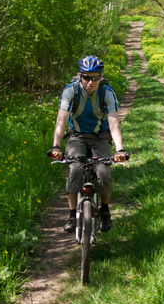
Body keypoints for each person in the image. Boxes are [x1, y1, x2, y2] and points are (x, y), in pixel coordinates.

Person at [49, 55, 128, 234]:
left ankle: (105, 210)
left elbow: (114, 122)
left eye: (95, 77)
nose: (90, 82)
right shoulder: (71, 91)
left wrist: (119, 149)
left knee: (103, 172)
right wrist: (56, 146)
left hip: (100, 136)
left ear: (101, 77)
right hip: (76, 135)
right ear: (79, 76)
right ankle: (71, 215)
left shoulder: (107, 93)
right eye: (86, 77)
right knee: (75, 168)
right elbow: (61, 119)